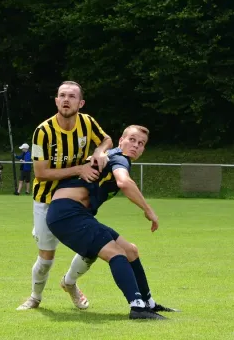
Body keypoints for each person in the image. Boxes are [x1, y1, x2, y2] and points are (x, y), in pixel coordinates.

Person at [46, 125, 178, 320]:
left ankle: (148, 303)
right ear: (120, 141)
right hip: (67, 214)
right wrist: (148, 209)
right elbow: (124, 182)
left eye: (141, 144)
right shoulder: (118, 158)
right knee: (115, 253)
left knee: (130, 250)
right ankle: (137, 307)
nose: (135, 146)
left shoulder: (112, 156)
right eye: (132, 140)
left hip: (78, 214)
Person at [17, 81, 113, 310]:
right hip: (47, 200)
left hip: (76, 198)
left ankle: (70, 284)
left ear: (81, 103)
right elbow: (40, 173)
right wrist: (79, 169)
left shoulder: (87, 122)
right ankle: (35, 297)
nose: (66, 99)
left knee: (90, 250)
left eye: (71, 96)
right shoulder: (43, 131)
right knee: (46, 258)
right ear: (56, 101)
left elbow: (107, 140)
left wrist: (99, 151)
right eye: (62, 95)